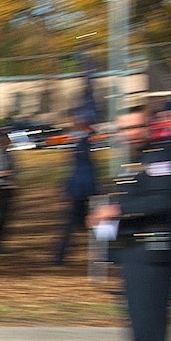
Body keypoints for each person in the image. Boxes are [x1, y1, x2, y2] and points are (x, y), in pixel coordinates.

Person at [90, 105, 171, 341]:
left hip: (150, 255)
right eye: (123, 128)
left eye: (133, 127)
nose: (127, 134)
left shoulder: (159, 156)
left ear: (148, 127)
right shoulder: (138, 160)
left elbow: (164, 200)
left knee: (149, 329)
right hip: (133, 254)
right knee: (140, 330)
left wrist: (116, 210)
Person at [51, 111, 99, 265]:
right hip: (82, 188)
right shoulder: (81, 141)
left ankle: (60, 255)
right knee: (78, 223)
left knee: (76, 224)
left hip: (82, 188)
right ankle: (60, 255)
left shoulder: (82, 141)